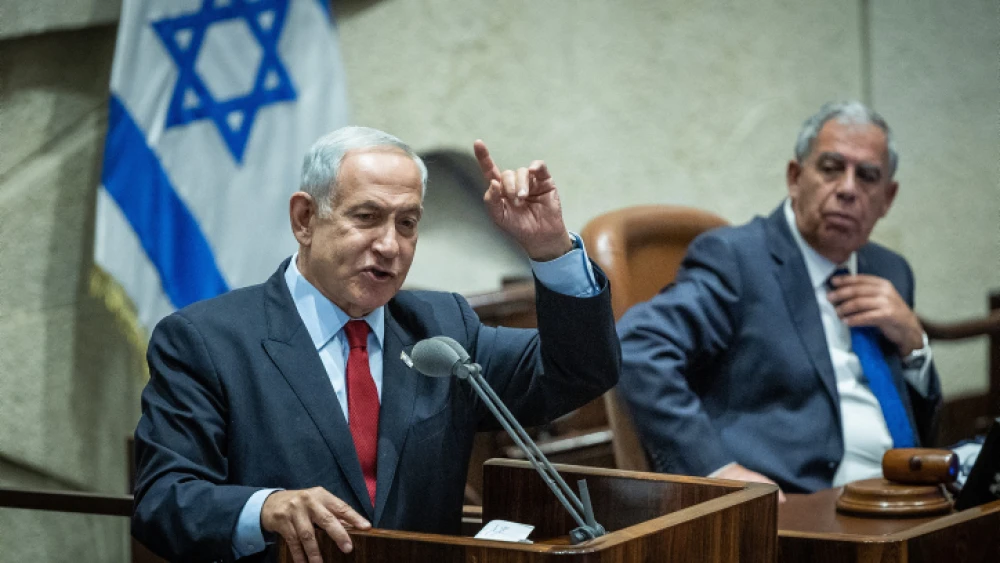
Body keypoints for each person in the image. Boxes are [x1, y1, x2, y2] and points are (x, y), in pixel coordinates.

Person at [131, 126, 621, 563]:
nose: (390, 245)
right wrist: (264, 508)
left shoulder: (442, 328)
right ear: (304, 219)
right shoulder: (207, 340)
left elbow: (578, 371)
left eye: (407, 223)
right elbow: (162, 501)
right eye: (367, 217)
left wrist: (550, 249)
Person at [617, 101, 941, 498]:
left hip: (904, 494)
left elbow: (922, 427)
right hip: (800, 503)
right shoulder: (738, 260)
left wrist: (914, 346)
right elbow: (638, 346)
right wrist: (715, 468)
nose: (848, 189)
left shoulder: (891, 271)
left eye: (867, 176)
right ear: (795, 177)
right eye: (831, 168)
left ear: (887, 198)